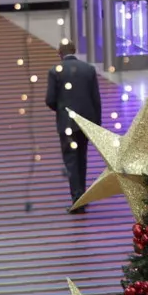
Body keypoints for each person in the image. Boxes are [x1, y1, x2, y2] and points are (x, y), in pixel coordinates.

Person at [45, 40, 102, 212]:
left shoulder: (55, 72)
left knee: (71, 160)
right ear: (74, 51)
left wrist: (62, 111)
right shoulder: (89, 70)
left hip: (67, 123)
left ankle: (78, 200)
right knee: (82, 158)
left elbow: (50, 100)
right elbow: (95, 99)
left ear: (59, 53)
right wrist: (96, 124)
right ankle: (82, 196)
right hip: (85, 123)